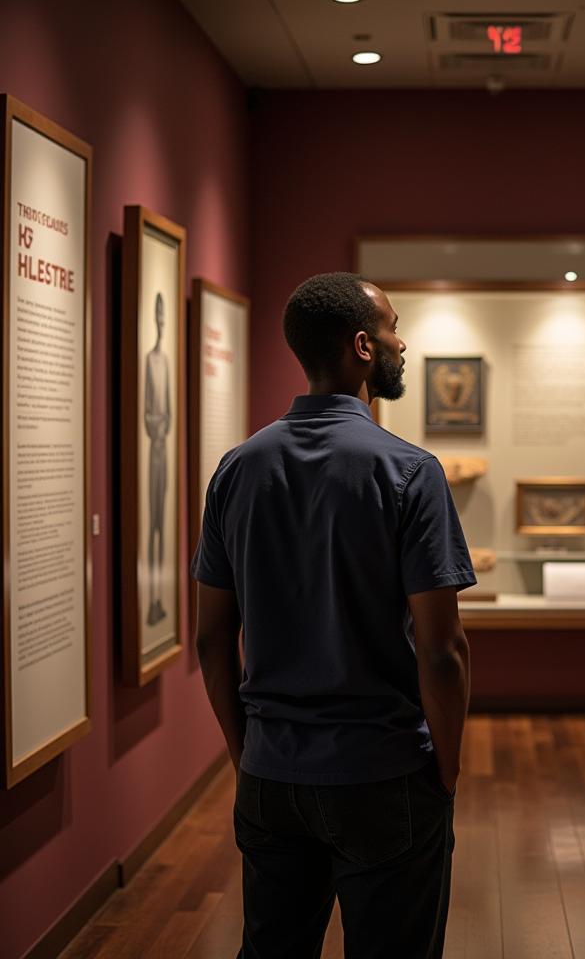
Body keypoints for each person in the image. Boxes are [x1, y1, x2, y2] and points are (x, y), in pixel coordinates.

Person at [191, 272, 475, 958]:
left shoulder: (237, 468)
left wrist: (245, 752)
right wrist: (448, 769)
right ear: (361, 347)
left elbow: (209, 639)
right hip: (382, 772)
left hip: (271, 773)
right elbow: (442, 652)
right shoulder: (409, 472)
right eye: (392, 329)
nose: (401, 342)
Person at [144, 292, 171, 626]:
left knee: (161, 523)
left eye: (165, 317)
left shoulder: (164, 361)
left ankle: (157, 597)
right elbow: (148, 411)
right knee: (152, 521)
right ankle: (151, 597)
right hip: (154, 449)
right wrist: (158, 429)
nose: (162, 323)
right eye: (159, 316)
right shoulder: (150, 360)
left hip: (163, 449)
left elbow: (170, 408)